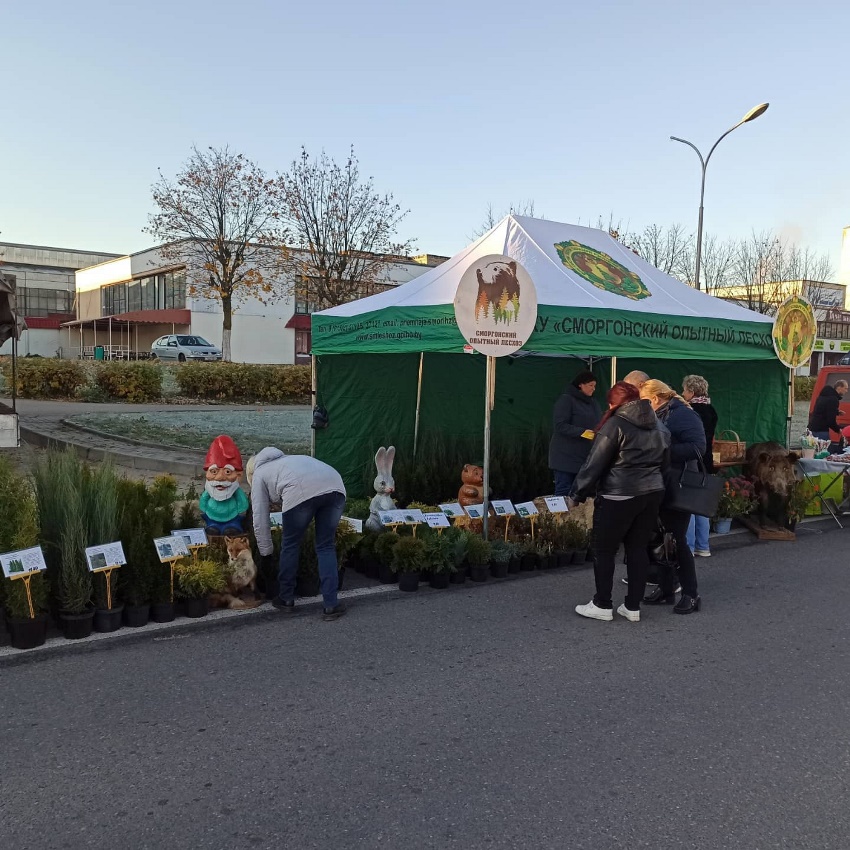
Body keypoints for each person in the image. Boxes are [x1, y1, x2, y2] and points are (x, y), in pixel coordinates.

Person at [569, 381, 669, 623]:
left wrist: (577, 494)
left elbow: (594, 463)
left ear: (615, 403)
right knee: (638, 548)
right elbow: (665, 464)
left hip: (618, 494)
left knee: (604, 550)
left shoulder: (615, 424)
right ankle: (632, 606)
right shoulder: (659, 424)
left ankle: (603, 604)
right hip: (652, 492)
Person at [247, 447, 348, 621]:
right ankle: (331, 604)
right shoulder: (289, 460)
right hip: (336, 485)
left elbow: (260, 519)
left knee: (291, 544)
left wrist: (266, 554)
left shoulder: (259, 474)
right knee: (326, 546)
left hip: (301, 491)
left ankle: (285, 598)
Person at [640, 380, 706, 614]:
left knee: (677, 539)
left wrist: (663, 451)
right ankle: (667, 588)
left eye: (645, 401)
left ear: (656, 399)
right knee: (661, 538)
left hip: (679, 484)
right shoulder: (664, 414)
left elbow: (699, 447)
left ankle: (691, 593)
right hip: (661, 483)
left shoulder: (683, 415)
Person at [548, 370, 602, 497]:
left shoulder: (594, 403)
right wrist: (582, 432)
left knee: (582, 494)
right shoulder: (566, 400)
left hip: (584, 457)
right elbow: (560, 425)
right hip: (565, 457)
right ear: (580, 385)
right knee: (564, 492)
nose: (593, 389)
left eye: (594, 386)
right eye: (590, 385)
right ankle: (562, 517)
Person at [682, 375, 718, 558]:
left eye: (684, 390)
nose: (682, 393)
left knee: (689, 506)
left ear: (691, 392)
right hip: (707, 461)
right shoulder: (711, 410)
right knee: (702, 506)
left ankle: (687, 547)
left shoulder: (689, 411)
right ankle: (703, 546)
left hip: (693, 462)